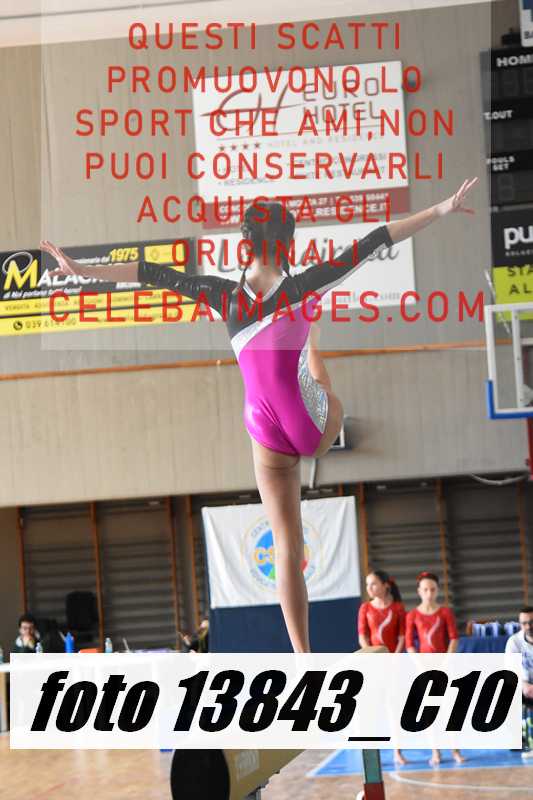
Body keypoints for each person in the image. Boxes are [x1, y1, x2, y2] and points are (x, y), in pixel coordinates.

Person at [41, 177, 478, 654]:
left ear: (246, 242)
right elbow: (377, 239)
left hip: (261, 425)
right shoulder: (306, 283)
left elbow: (149, 273)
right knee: (328, 393)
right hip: (306, 422)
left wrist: (81, 268)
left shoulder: (221, 294)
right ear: (287, 244)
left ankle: (303, 656)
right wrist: (441, 209)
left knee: (287, 546)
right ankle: (314, 349)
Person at [406, 571, 464, 766]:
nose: (429, 593)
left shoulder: (445, 612)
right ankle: (435, 751)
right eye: (425, 590)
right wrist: (420, 664)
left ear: (437, 590)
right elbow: (409, 644)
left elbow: (454, 638)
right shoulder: (413, 615)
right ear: (419, 591)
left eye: (432, 589)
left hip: (445, 666)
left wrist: (446, 661)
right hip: (424, 667)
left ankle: (455, 750)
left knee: (449, 709)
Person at [358, 569, 407, 765]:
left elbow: (402, 636)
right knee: (373, 710)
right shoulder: (365, 608)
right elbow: (363, 636)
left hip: (393, 665)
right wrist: (372, 655)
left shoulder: (398, 608)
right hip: (373, 665)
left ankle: (397, 752)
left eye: (373, 584)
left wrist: (393, 658)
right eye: (367, 584)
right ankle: (372, 756)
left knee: (393, 710)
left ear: (385, 585)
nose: (369, 588)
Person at [505, 606, 533, 756]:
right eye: (524, 623)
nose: (528, 626)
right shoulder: (514, 642)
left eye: (532, 622)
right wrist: (524, 685)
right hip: (524, 686)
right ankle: (519, 739)